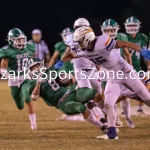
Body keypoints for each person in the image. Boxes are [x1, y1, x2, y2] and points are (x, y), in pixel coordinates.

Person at [55, 26, 150, 139]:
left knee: (146, 97)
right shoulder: (84, 49)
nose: (78, 44)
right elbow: (71, 55)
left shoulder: (102, 42)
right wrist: (60, 62)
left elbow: (123, 43)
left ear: (87, 39)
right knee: (108, 103)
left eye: (80, 41)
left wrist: (142, 50)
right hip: (112, 76)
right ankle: (112, 134)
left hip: (125, 71)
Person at [27, 57, 108, 133]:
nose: (36, 69)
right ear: (30, 71)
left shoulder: (51, 71)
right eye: (33, 68)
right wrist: (38, 83)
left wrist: (70, 76)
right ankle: (102, 127)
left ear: (41, 65)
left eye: (36, 66)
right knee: (81, 108)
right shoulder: (32, 83)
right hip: (63, 103)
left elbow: (68, 78)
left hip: (71, 94)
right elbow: (34, 97)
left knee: (93, 92)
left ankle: (101, 112)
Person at [61, 18, 105, 122]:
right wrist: (60, 63)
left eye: (83, 27)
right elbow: (67, 52)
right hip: (80, 70)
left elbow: (97, 54)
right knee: (88, 96)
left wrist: (99, 69)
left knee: (99, 94)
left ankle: (107, 114)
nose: (81, 29)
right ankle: (102, 120)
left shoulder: (92, 38)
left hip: (92, 70)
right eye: (78, 28)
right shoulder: (71, 38)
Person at [0, 28, 37, 130]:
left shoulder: (29, 47)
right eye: (18, 40)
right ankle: (19, 95)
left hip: (25, 77)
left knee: (27, 98)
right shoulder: (7, 51)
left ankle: (33, 125)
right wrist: (11, 76)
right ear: (11, 40)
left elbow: (32, 59)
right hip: (13, 80)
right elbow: (2, 69)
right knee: (20, 106)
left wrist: (33, 68)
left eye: (22, 39)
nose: (21, 42)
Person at [101, 19, 135, 128]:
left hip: (119, 70)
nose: (110, 33)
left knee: (124, 94)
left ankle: (127, 117)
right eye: (107, 30)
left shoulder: (121, 38)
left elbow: (127, 54)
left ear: (116, 30)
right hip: (105, 71)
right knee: (107, 96)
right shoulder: (100, 40)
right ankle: (115, 118)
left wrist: (130, 68)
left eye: (112, 30)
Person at [124, 16, 149, 115]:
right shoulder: (123, 37)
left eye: (134, 25)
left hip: (140, 67)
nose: (132, 27)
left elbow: (147, 54)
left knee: (144, 87)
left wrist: (147, 66)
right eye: (130, 25)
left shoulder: (143, 37)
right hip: (126, 67)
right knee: (124, 90)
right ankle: (125, 111)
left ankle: (139, 108)